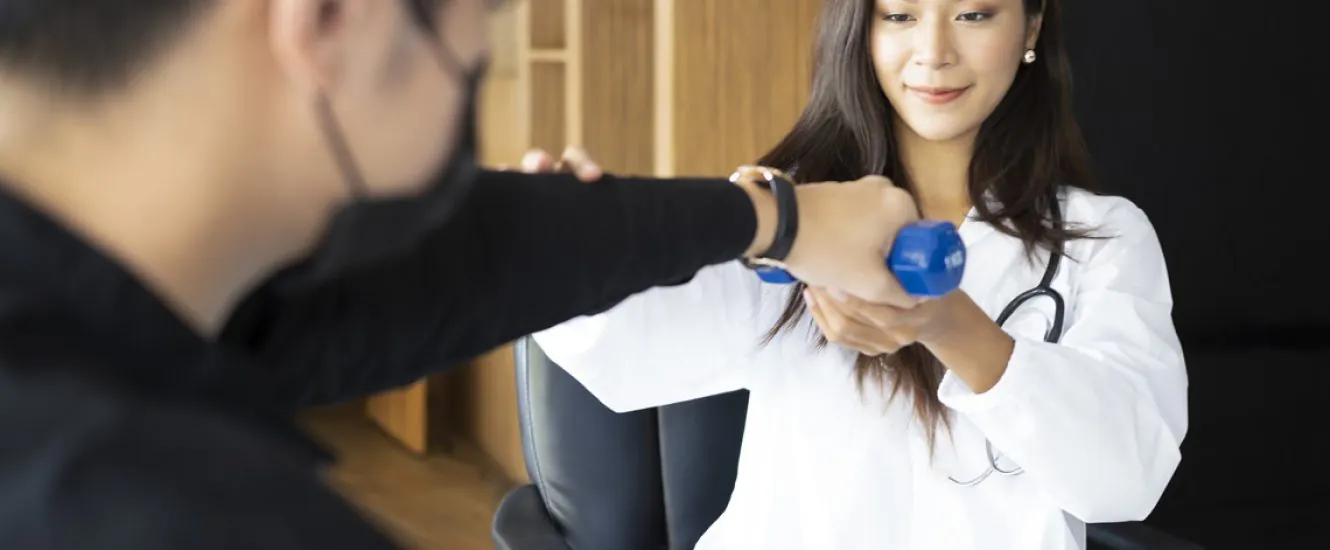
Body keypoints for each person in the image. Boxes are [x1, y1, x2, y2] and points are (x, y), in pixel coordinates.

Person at [0, 0, 926, 548]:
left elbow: (450, 265)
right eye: (472, 42)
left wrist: (778, 221)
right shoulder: (134, 502)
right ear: (327, 23)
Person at [529, 0, 1189, 549]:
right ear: (860, 29)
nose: (933, 53)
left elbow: (1126, 477)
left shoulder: (1100, 238)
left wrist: (952, 325)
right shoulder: (799, 217)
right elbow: (628, 345)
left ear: (1032, 27)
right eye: (900, 15)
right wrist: (566, 239)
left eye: (975, 14)